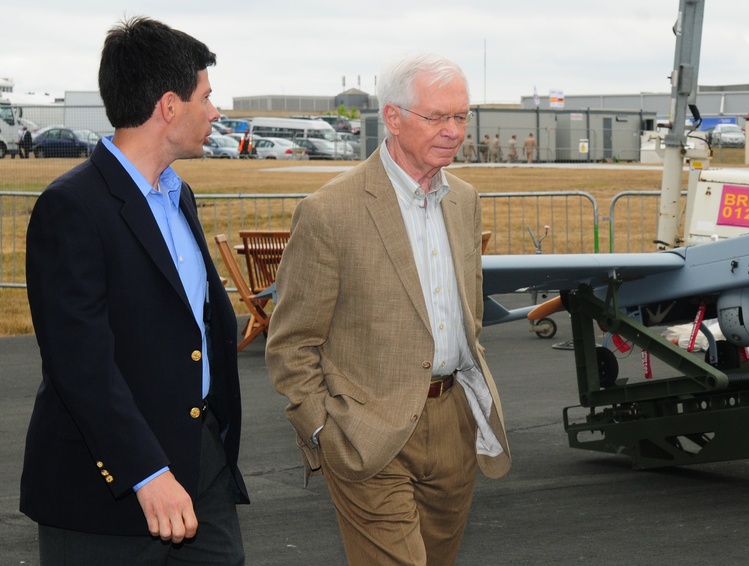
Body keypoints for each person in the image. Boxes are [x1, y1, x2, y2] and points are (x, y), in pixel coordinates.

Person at [266, 52, 511, 566]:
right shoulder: (331, 212)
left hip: (453, 423)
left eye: (461, 116)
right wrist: (322, 428)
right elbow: (292, 342)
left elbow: (468, 314)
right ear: (394, 118)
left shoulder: (464, 200)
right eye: (437, 116)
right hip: (367, 430)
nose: (453, 131)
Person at [21, 17, 248, 565]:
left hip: (203, 473)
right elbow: (80, 364)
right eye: (206, 96)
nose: (215, 112)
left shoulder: (180, 196)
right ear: (169, 106)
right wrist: (146, 471)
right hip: (107, 495)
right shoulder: (72, 206)